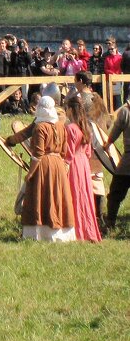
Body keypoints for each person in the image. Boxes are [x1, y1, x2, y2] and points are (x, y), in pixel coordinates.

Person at [5, 96, 76, 242]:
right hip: (59, 165)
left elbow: (37, 154)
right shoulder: (60, 125)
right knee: (56, 197)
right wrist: (10, 140)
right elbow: (64, 150)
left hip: (43, 165)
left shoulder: (40, 127)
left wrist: (30, 173)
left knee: (40, 197)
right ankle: (60, 234)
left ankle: (40, 234)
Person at [63, 96, 103, 242]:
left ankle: (77, 231)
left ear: (72, 109)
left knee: (74, 196)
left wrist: (64, 166)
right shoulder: (85, 127)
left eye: (66, 108)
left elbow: (68, 153)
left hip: (73, 164)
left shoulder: (71, 128)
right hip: (84, 165)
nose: (65, 111)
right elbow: (88, 152)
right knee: (85, 197)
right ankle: (88, 230)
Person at [102, 99, 130, 229]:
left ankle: (110, 222)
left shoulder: (125, 112)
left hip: (128, 162)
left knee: (115, 193)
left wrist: (107, 144)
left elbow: (115, 132)